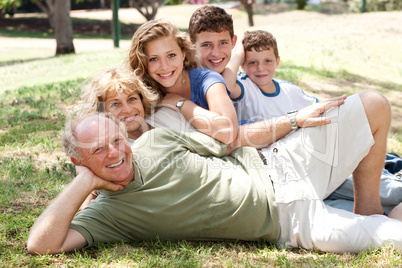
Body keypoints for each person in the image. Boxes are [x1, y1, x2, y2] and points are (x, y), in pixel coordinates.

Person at [27, 98, 402, 255]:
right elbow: (40, 246)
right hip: (290, 221)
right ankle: (375, 221)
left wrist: (293, 120)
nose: (114, 153)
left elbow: (233, 140)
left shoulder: (156, 140)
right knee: (394, 239)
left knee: (372, 104)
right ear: (77, 160)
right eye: (98, 151)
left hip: (280, 162)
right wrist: (85, 182)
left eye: (115, 141)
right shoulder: (108, 214)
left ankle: (366, 208)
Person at [188, 7, 402, 215]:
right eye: (206, 45)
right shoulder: (208, 82)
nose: (216, 53)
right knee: (374, 106)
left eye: (223, 43)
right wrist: (237, 55)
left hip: (289, 154)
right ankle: (373, 207)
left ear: (232, 42)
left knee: (373, 180)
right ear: (192, 45)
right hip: (274, 164)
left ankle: (380, 197)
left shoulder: (264, 84)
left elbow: (314, 105)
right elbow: (225, 92)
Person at [127, 19, 238, 145]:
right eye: (153, 59)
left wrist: (180, 102)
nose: (164, 66)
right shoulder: (141, 92)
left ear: (183, 54)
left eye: (171, 55)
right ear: (143, 62)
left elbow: (227, 131)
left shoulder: (208, 80)